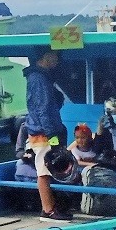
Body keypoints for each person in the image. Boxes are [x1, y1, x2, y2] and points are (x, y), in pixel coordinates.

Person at [22, 46, 71, 220]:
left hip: (43, 131)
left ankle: (51, 207)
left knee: (48, 169)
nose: (57, 60)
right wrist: (53, 136)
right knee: (44, 170)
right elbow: (43, 109)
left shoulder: (39, 78)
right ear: (46, 56)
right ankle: (48, 210)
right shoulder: (39, 79)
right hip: (43, 133)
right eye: (55, 56)